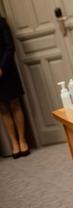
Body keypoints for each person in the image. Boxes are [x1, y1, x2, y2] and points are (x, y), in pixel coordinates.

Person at [0, 16, 30, 159]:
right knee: (2, 108)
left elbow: (9, 47)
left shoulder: (1, 22)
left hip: (7, 71)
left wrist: (2, 68)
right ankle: (14, 142)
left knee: (14, 103)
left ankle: (22, 139)